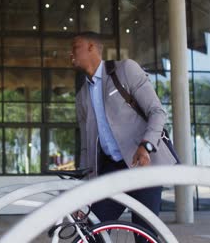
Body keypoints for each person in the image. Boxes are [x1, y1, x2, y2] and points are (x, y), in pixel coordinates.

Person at [71, 31, 177, 239]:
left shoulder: (125, 70)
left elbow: (157, 112)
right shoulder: (82, 96)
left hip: (144, 166)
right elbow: (87, 147)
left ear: (92, 47)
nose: (70, 54)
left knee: (144, 235)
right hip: (113, 168)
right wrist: (82, 192)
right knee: (94, 230)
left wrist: (146, 145)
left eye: (75, 47)